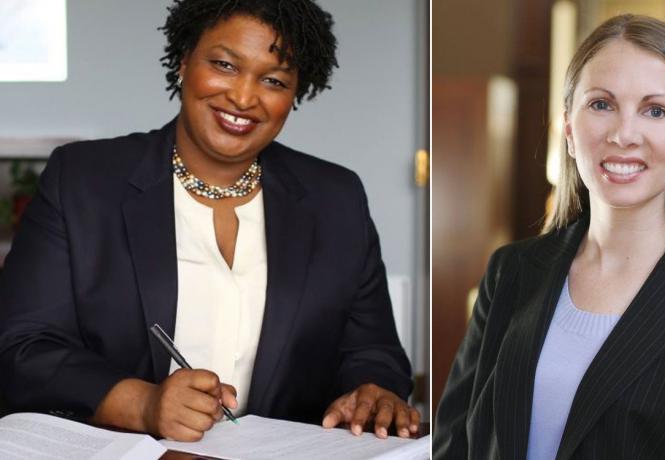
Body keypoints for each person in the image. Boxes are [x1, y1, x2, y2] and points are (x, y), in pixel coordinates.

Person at [0, 0, 420, 442]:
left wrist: (373, 392)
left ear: (294, 95)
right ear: (184, 62)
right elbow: (20, 345)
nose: (242, 97)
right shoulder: (84, 180)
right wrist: (142, 404)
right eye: (224, 64)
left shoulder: (336, 198)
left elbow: (374, 351)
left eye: (273, 80)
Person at [433, 14, 665, 459]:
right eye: (601, 104)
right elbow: (453, 445)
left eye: (655, 111)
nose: (624, 134)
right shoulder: (509, 270)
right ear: (568, 128)